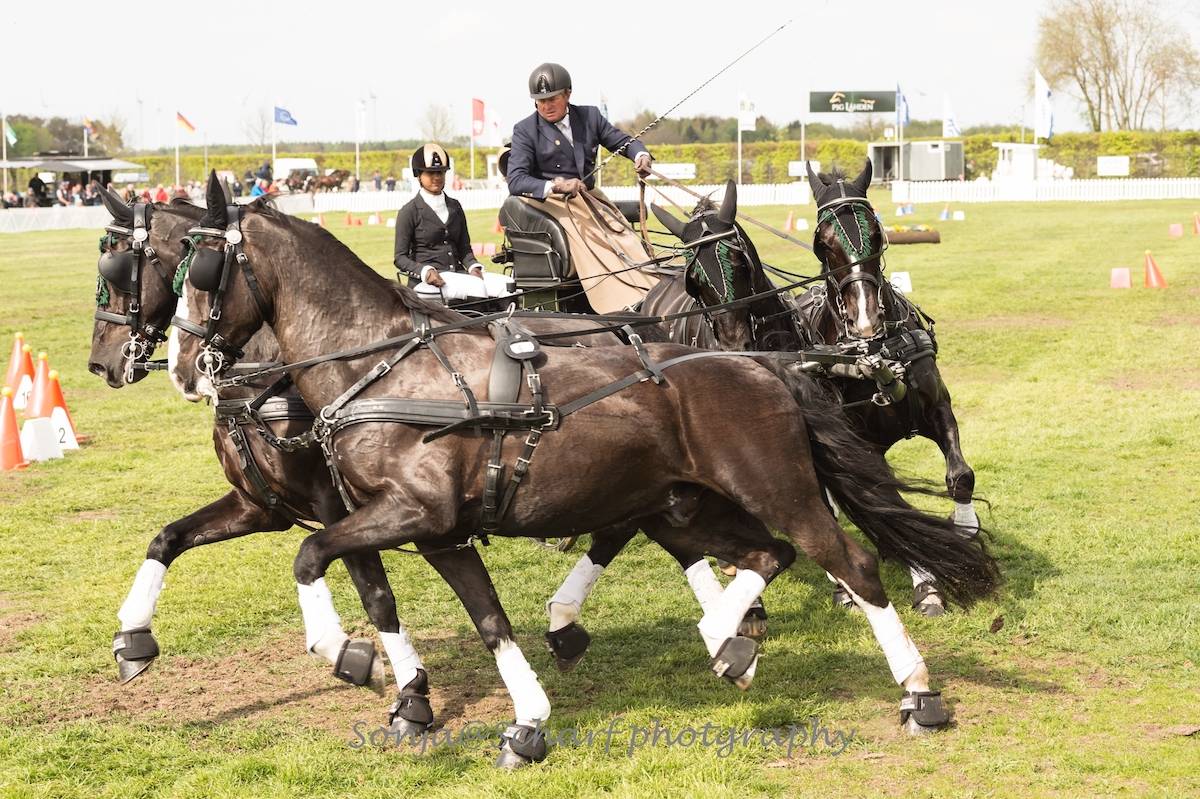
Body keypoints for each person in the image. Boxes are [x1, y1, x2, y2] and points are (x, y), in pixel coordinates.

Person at [506, 62, 659, 313]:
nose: (546, 105)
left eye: (553, 98)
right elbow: (516, 180)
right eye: (540, 100)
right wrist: (555, 186)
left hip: (588, 197)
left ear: (568, 93)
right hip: (551, 202)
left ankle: (651, 288)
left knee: (622, 233)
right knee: (593, 240)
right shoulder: (525, 130)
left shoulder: (589, 117)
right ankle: (620, 304)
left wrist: (640, 154)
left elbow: (622, 142)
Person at [393, 142, 511, 301]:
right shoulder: (409, 211)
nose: (436, 177)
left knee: (508, 285)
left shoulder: (454, 206)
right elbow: (400, 257)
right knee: (475, 287)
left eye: (441, 172)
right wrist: (425, 271)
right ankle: (479, 326)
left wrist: (473, 267)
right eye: (430, 173)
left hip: (458, 274)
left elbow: (464, 248)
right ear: (419, 175)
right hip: (426, 281)